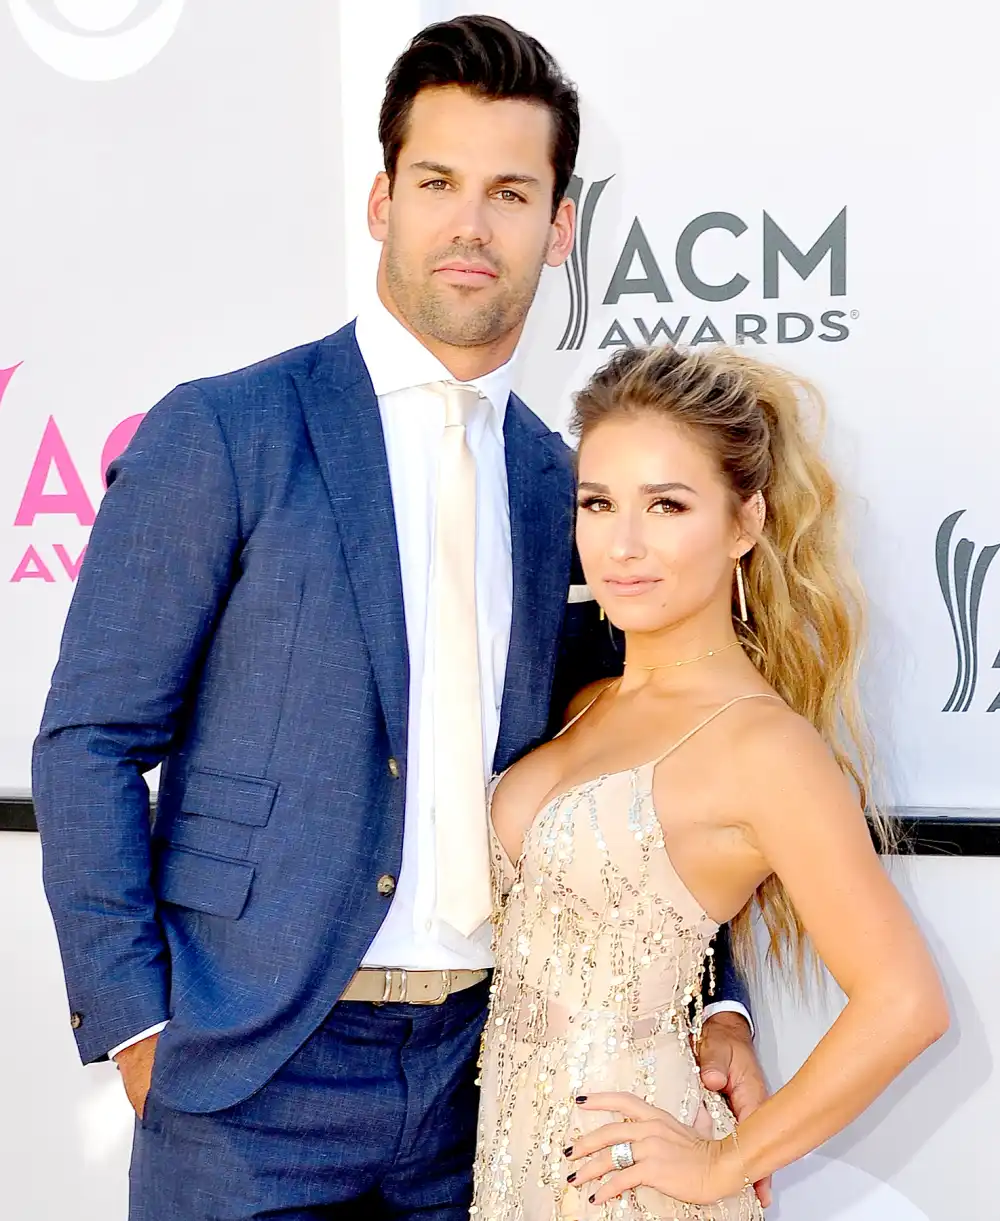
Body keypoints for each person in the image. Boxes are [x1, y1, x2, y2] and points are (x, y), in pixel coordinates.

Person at [30, 17, 762, 1221]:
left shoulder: (567, 489)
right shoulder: (227, 432)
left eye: (510, 192)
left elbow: (633, 768)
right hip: (250, 1071)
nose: (470, 225)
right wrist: (138, 1027)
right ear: (381, 200)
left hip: (497, 1069)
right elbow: (90, 742)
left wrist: (716, 995)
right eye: (438, 183)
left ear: (558, 227)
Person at [473, 344, 949, 1220]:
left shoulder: (764, 745)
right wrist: (721, 1013)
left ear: (745, 522)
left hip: (634, 1185)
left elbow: (906, 1001)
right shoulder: (582, 700)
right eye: (598, 503)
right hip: (509, 1166)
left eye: (667, 505)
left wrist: (722, 1162)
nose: (622, 543)